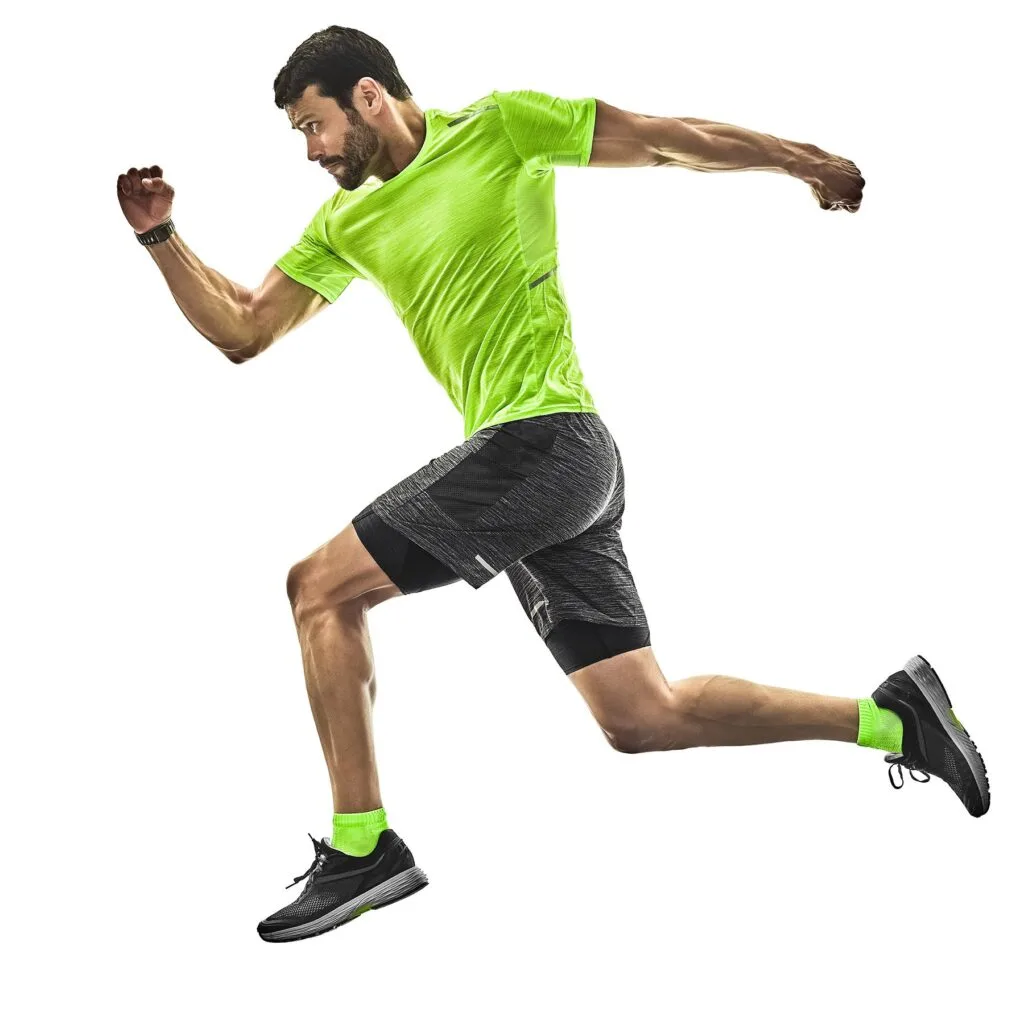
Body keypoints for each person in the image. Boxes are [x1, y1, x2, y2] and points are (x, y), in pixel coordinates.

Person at [115, 25, 990, 944]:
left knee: (318, 589)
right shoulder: (345, 223)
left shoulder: (499, 128)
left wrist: (800, 159)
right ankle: (895, 721)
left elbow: (660, 138)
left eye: (314, 125)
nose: (312, 150)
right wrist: (161, 237)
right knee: (641, 716)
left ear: (368, 95)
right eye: (300, 135)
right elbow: (246, 329)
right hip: (553, 475)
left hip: (546, 443)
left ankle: (363, 846)